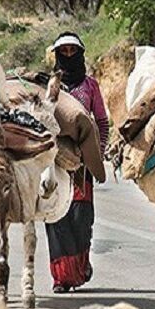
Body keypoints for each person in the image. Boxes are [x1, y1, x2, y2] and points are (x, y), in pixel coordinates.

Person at [46, 32, 110, 293]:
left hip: (82, 167)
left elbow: (102, 121)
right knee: (55, 218)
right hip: (55, 163)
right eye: (64, 52)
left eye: (74, 51)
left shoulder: (91, 86)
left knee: (81, 219)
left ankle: (80, 269)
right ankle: (61, 277)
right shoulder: (49, 85)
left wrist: (98, 149)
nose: (69, 56)